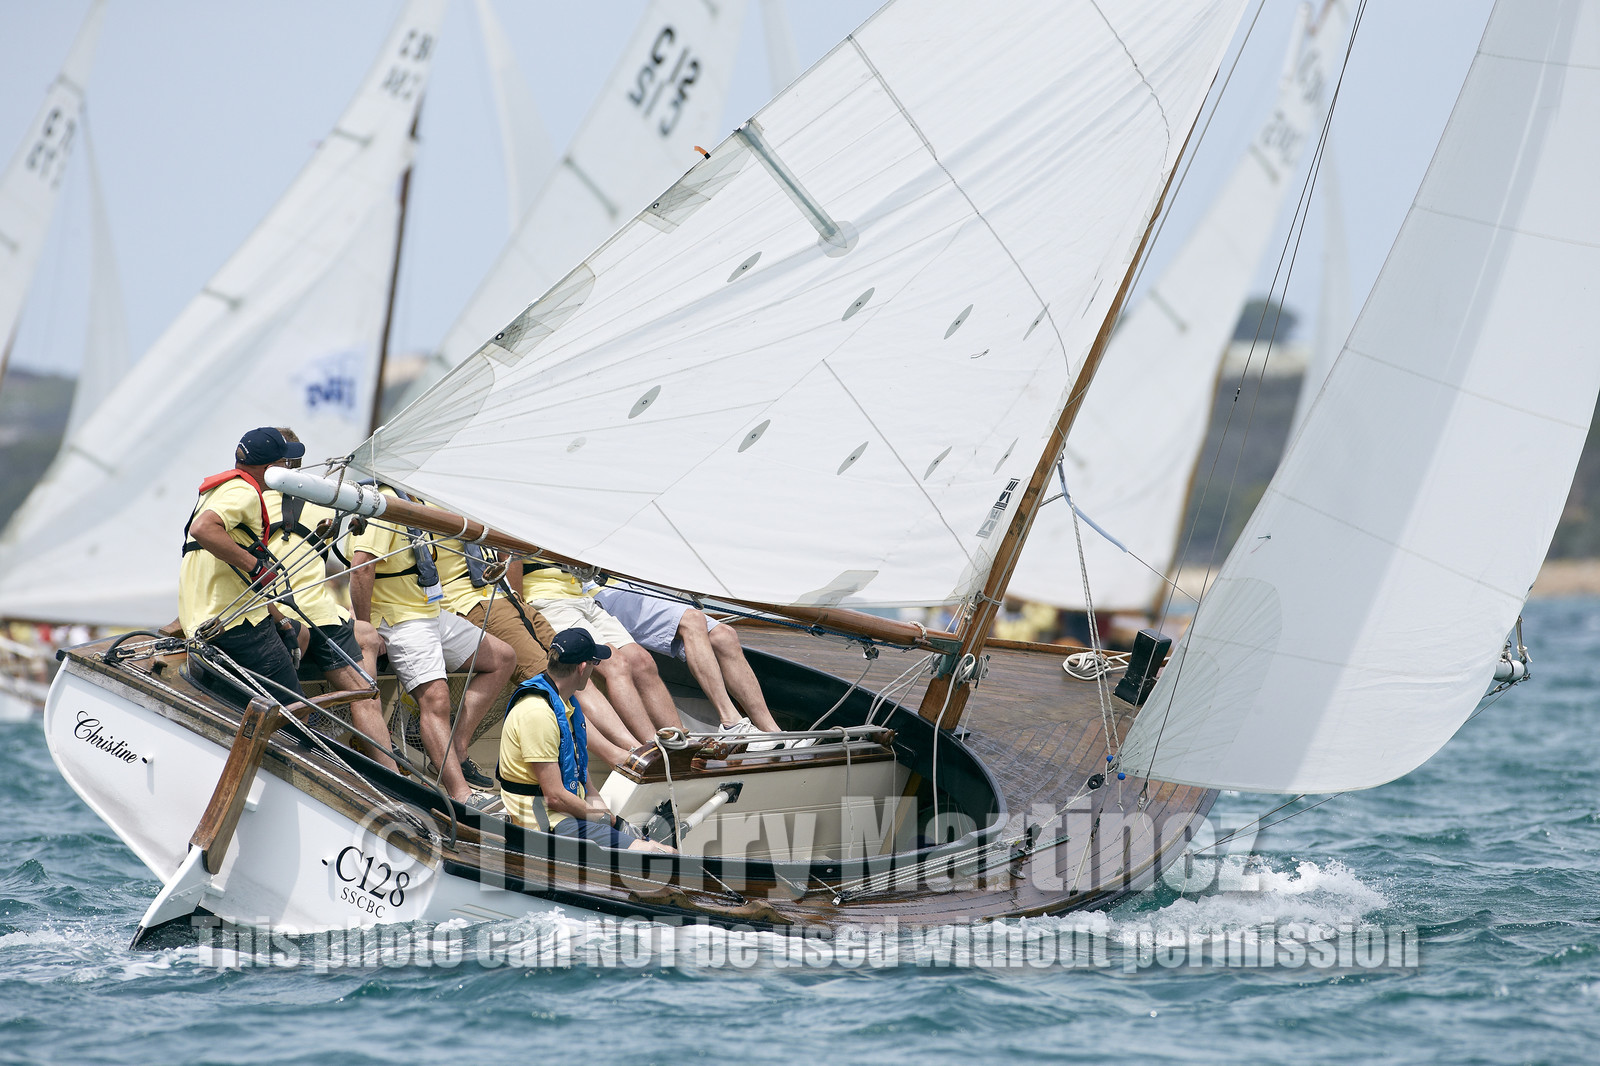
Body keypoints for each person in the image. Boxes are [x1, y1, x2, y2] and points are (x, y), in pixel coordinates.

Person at [347, 485, 516, 805]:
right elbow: (361, 566)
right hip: (400, 619)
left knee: (503, 658)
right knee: (435, 698)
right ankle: (462, 794)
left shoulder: (416, 500)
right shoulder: (385, 498)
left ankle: (455, 750)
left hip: (429, 613)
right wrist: (366, 624)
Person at [437, 545, 641, 769]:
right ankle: (617, 757)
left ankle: (634, 747)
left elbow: (507, 550)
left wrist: (517, 598)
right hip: (472, 603)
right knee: (550, 680)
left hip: (509, 597)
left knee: (573, 668)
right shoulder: (427, 510)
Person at [265, 429, 393, 770]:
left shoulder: (248, 500)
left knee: (289, 696)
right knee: (366, 696)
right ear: (296, 462)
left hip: (277, 614)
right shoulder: (326, 501)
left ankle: (302, 752)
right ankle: (391, 774)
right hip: (319, 615)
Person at [496, 628, 672, 852]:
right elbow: (556, 797)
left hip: (566, 814)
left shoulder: (564, 703)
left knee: (656, 847)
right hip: (545, 823)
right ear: (582, 667)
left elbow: (583, 779)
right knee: (659, 854)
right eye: (594, 662)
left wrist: (612, 819)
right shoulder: (538, 713)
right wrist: (601, 819)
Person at [179, 427, 304, 700]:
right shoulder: (244, 492)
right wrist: (257, 567)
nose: (287, 468)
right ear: (271, 469)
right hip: (237, 624)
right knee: (293, 708)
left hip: (205, 622)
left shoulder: (219, 491)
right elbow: (203, 529)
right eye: (284, 463)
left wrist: (278, 617)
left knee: (295, 632)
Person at [511, 558, 684, 746]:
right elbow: (512, 561)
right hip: (544, 599)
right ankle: (652, 747)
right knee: (616, 664)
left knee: (642, 661)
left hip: (581, 597)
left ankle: (681, 741)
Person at [593, 582, 783, 741]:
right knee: (692, 620)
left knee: (724, 635)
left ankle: (772, 732)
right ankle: (731, 723)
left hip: (631, 583)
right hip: (599, 588)